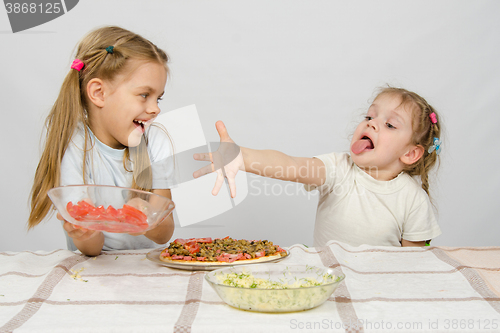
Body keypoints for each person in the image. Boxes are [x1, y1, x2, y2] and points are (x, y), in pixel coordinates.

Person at [194, 87, 442, 247]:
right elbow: (290, 166)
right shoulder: (338, 169)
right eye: (369, 117)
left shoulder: (413, 200)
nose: (372, 124)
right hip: (328, 285)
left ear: (410, 153)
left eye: (390, 125)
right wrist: (241, 157)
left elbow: (413, 267)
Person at [28, 26, 176, 256]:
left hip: (147, 265)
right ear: (98, 93)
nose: (155, 108)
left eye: (159, 97)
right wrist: (84, 232)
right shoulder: (75, 145)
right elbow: (92, 249)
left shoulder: (155, 141)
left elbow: (165, 234)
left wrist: (147, 217)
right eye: (145, 95)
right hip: (95, 269)